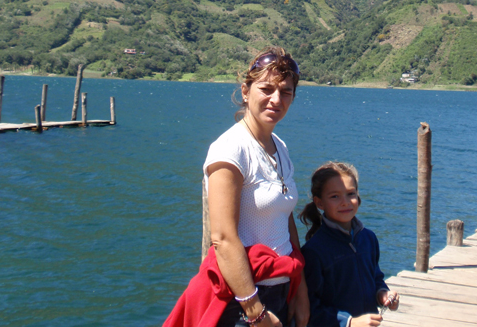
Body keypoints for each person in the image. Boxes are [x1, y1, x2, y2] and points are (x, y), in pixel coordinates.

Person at [164, 47, 309, 327]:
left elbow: (285, 217)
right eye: (266, 89)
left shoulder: (280, 147)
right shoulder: (230, 150)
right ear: (246, 91)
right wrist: (256, 311)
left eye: (286, 92)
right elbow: (223, 238)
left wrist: (298, 288)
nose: (276, 99)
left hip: (280, 287)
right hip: (242, 299)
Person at [299, 162, 399, 327]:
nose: (345, 202)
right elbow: (309, 308)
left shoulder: (369, 239)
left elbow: (376, 278)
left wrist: (383, 295)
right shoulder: (314, 252)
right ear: (320, 203)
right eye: (335, 196)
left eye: (350, 193)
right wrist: (348, 322)